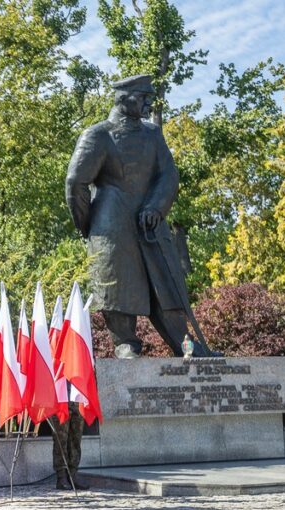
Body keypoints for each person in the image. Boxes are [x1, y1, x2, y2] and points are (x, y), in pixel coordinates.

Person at [66, 74, 211, 359]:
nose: (148, 104)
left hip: (150, 222)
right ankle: (125, 344)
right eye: (144, 97)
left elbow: (168, 174)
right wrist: (89, 226)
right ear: (125, 98)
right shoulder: (98, 135)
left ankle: (187, 346)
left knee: (165, 286)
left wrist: (157, 207)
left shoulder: (152, 135)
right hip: (112, 222)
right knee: (117, 286)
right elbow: (76, 182)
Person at [52, 401, 87, 490]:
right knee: (61, 439)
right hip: (60, 400)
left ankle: (73, 474)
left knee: (76, 438)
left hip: (77, 399)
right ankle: (61, 476)